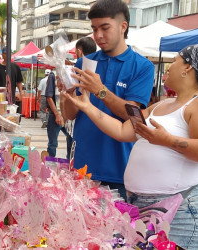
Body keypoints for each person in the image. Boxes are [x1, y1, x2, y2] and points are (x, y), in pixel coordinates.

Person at [64, 43, 198, 249]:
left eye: (174, 61)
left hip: (183, 210)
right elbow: (123, 131)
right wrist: (88, 107)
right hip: (147, 208)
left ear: (188, 68)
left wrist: (167, 140)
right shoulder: (162, 104)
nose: (168, 67)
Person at [60, 0, 155, 199]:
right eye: (94, 29)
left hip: (120, 170)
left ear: (123, 26)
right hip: (82, 168)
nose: (98, 35)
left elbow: (134, 118)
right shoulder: (84, 62)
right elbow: (70, 115)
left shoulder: (142, 67)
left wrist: (100, 91)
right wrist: (68, 93)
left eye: (105, 28)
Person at [60, 37, 97, 155]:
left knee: (71, 156)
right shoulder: (80, 66)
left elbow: (67, 106)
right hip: (85, 131)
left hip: (78, 129)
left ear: (79, 51)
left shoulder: (76, 69)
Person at [45, 72, 72, 159]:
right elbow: (49, 97)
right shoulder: (53, 75)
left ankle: (69, 165)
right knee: (53, 144)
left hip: (68, 115)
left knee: (71, 140)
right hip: (55, 115)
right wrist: (57, 114)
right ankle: (49, 165)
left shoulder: (69, 72)